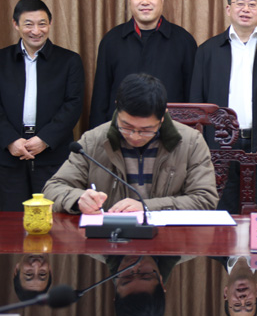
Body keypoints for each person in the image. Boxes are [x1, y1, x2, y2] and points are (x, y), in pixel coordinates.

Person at [43, 73, 218, 213]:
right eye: (126, 126)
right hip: (110, 238)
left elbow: (205, 199)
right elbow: (52, 189)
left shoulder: (190, 142)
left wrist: (146, 207)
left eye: (146, 129)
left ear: (163, 116)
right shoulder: (93, 140)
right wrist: (78, 199)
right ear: (117, 107)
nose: (135, 136)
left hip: (168, 238)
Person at [190, 0, 257, 214]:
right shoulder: (208, 50)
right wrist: (200, 144)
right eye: (240, 3)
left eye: (252, 4)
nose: (245, 9)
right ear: (228, 9)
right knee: (222, 210)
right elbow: (197, 101)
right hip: (219, 144)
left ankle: (254, 241)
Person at [0, 0, 84, 211]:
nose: (36, 31)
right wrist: (10, 140)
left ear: (50, 23)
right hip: (9, 156)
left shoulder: (69, 61)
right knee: (11, 220)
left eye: (42, 24)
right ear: (16, 24)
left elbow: (73, 104)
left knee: (54, 218)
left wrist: (45, 139)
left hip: (53, 155)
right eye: (29, 24)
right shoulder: (2, 60)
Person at [89, 0, 196, 128]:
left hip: (170, 133)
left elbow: (192, 98)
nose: (145, 2)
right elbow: (100, 97)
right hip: (122, 133)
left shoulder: (184, 41)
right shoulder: (111, 40)